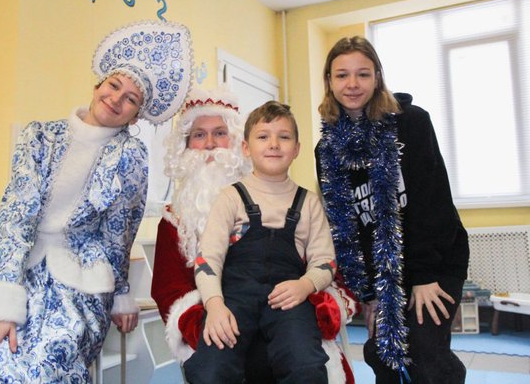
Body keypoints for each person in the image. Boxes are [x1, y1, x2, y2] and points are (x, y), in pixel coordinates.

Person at [0, 20, 193, 383]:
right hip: (22, 270)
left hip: (81, 284)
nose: (116, 99)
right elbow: (15, 217)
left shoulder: (130, 155)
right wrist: (1, 301)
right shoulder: (39, 136)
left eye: (130, 98)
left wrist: (120, 295)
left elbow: (120, 232)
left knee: (53, 362)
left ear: (137, 113)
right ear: (98, 83)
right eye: (114, 86)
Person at [315, 36, 470, 384]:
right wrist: (368, 294)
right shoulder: (325, 149)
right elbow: (349, 227)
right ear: (329, 81)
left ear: (377, 77)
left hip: (435, 259)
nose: (352, 84)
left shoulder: (411, 123)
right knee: (383, 356)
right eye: (342, 75)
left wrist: (424, 274)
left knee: (425, 356)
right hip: (382, 275)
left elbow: (433, 203)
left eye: (362, 74)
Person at [183, 100, 339, 384]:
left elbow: (326, 262)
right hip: (234, 299)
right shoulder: (230, 197)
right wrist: (215, 305)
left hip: (289, 298)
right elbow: (208, 260)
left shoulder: (309, 203)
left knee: (307, 368)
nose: (274, 144)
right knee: (209, 371)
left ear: (296, 149)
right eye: (263, 136)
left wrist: (305, 285)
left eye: (284, 137)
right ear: (246, 148)